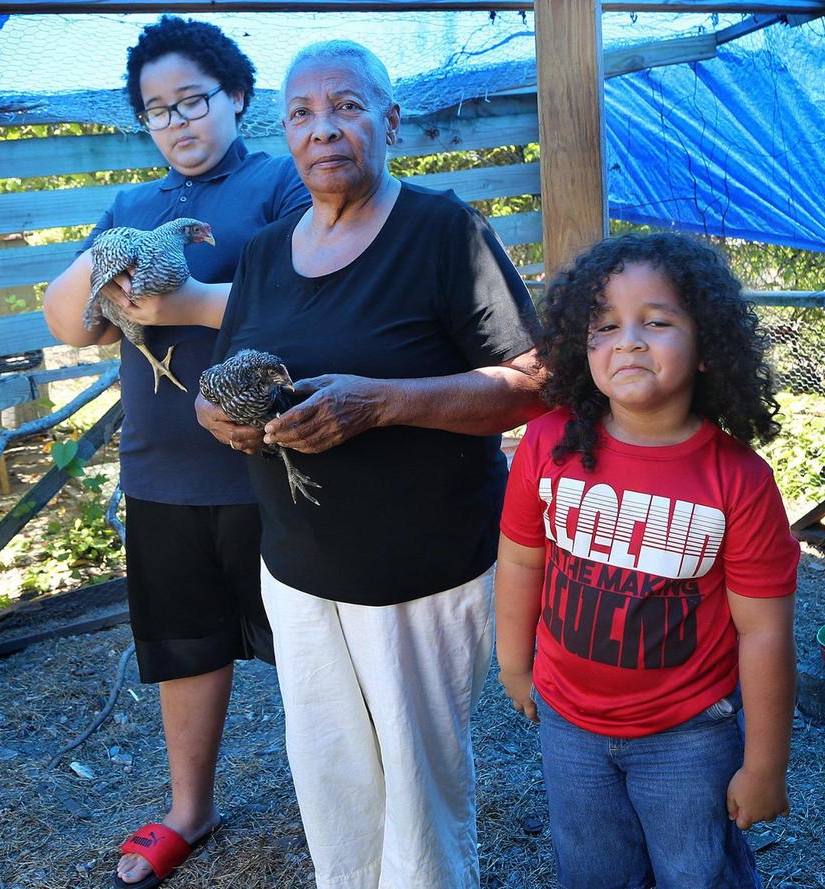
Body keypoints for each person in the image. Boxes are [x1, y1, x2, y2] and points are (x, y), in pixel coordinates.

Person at [195, 40, 545, 889]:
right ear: (285, 136)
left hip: (419, 567)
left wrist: (381, 400)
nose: (326, 130)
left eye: (348, 107)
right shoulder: (268, 251)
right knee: (329, 773)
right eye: (304, 115)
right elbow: (228, 377)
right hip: (298, 564)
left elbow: (533, 383)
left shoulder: (441, 229)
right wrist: (220, 417)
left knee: (418, 786)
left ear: (389, 122)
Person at [41, 16, 309, 889]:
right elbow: (67, 322)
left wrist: (189, 302)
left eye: (193, 99)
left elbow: (307, 301)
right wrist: (105, 253)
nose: (179, 121)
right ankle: (189, 807)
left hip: (267, 456)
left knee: (308, 644)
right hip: (163, 465)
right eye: (158, 110)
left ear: (236, 95)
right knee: (186, 644)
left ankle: (340, 793)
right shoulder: (131, 205)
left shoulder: (279, 185)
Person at [496, 232, 799, 889]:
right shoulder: (546, 444)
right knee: (594, 867)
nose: (628, 340)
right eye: (604, 325)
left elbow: (764, 630)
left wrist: (765, 764)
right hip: (568, 724)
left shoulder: (739, 480)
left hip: (688, 735)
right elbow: (521, 561)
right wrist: (515, 662)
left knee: (697, 871)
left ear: (709, 345)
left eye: (656, 321)